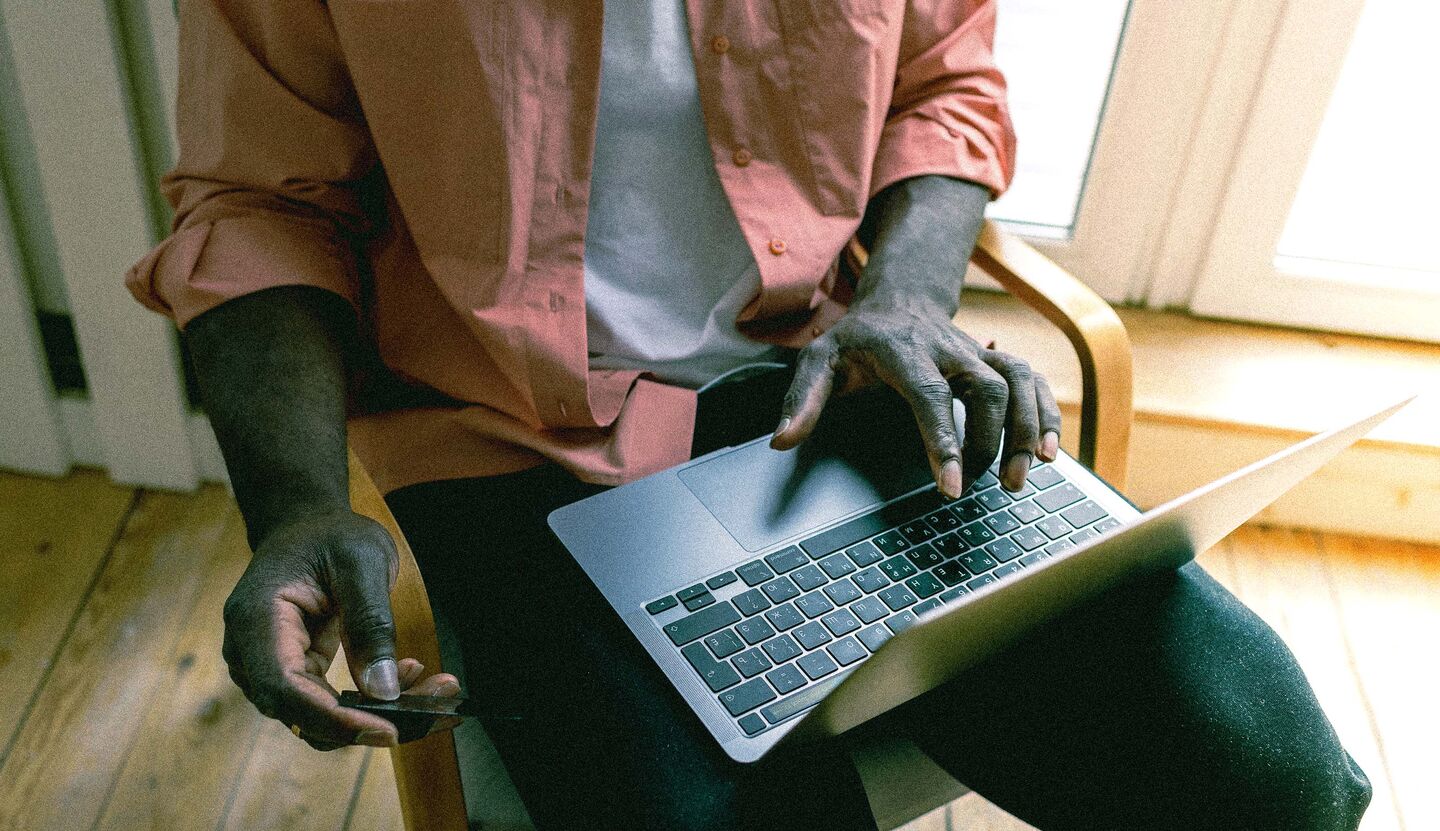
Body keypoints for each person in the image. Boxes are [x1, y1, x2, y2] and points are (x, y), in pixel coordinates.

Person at [127, 1, 1372, 828]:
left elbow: (945, 85)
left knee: (1278, 781)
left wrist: (906, 299)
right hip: (506, 443)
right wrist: (291, 504)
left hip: (836, 383)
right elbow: (255, 202)